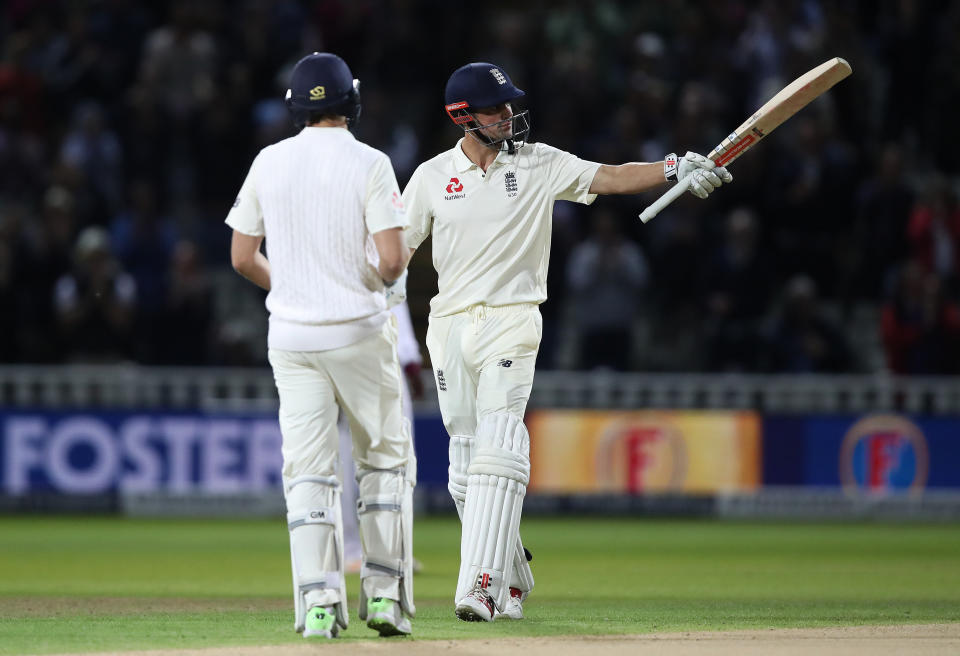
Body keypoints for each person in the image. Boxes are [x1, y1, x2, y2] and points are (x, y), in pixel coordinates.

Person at [401, 62, 732, 622]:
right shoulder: (432, 177)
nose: (508, 114)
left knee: (500, 441)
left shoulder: (539, 163)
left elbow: (611, 175)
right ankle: (514, 574)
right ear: (462, 116)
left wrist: (674, 167)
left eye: (510, 105)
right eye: (495, 108)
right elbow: (393, 252)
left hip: (512, 318)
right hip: (449, 325)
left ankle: (479, 586)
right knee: (464, 467)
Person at [225, 52, 416, 639]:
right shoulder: (371, 162)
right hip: (358, 330)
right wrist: (384, 277)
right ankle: (383, 599)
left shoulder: (268, 160)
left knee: (308, 471)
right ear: (350, 102)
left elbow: (240, 256)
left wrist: (295, 285)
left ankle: (317, 606)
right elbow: (388, 259)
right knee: (383, 460)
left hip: (292, 337)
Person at [339, 300, 424, 572]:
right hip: (343, 353)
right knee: (344, 458)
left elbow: (397, 295)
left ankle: (393, 550)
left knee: (396, 458)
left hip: (386, 357)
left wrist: (409, 358)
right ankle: (349, 549)